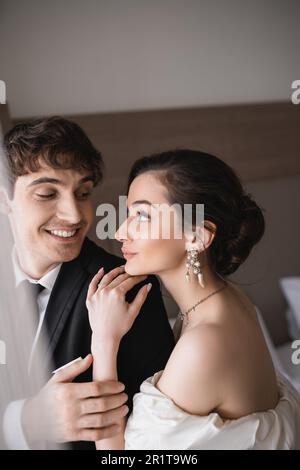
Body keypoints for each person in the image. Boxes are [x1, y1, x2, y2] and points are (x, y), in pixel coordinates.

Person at [87, 149, 300, 450]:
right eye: (127, 214)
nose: (121, 232)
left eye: (143, 216)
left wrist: (104, 342)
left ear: (197, 237)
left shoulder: (204, 343)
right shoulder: (231, 301)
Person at [0, 117, 175, 450]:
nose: (75, 215)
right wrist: (25, 422)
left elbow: (151, 444)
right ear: (5, 200)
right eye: (47, 193)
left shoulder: (126, 288)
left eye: (82, 193)